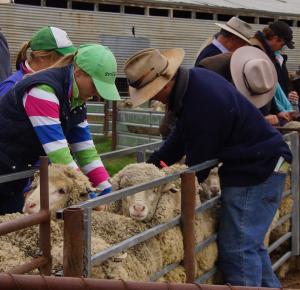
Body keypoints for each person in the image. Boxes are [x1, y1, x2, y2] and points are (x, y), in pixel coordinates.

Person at [124, 47, 292, 287]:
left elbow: (199, 164)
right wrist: (151, 168)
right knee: (251, 245)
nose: (152, 98)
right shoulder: (195, 84)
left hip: (257, 169)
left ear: (164, 85)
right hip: (258, 163)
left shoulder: (202, 102)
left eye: (151, 93)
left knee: (238, 247)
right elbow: (179, 138)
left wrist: (168, 185)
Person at [0, 44, 120, 215]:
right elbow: (59, 153)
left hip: (14, 175)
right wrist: (88, 194)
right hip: (5, 170)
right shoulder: (42, 91)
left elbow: (85, 150)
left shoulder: (76, 100)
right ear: (78, 72)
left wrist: (109, 191)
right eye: (94, 85)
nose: (95, 94)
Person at [0, 26, 76, 97]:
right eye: (63, 59)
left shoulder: (55, 83)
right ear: (42, 57)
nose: (67, 64)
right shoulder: (11, 86)